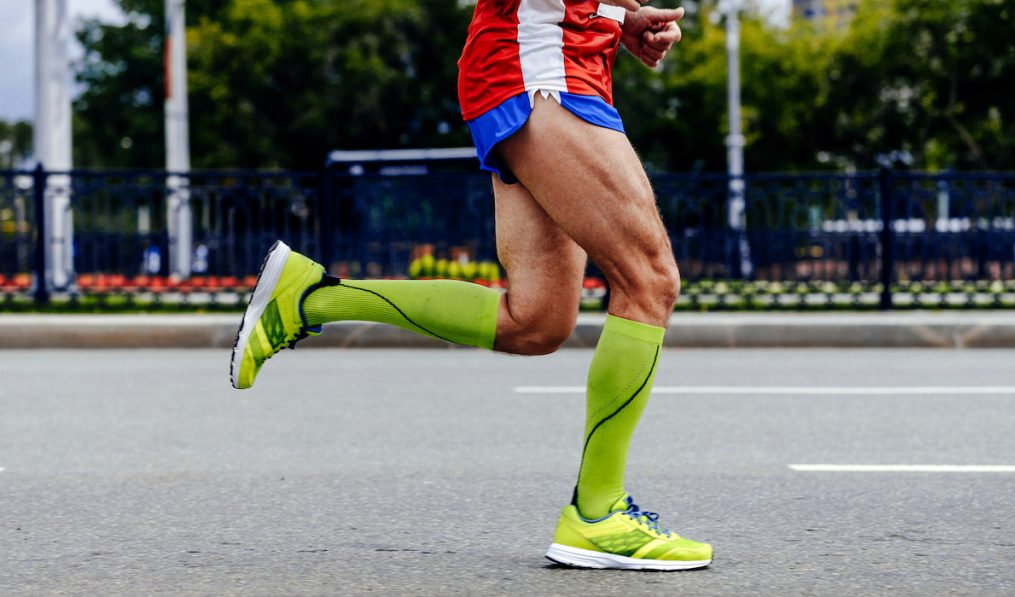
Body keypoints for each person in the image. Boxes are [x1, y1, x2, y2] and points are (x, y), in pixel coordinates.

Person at [230, 0, 712, 571]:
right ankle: (597, 513)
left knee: (535, 321)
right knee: (650, 279)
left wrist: (616, 17)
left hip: (552, 65)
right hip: (542, 71)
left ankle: (308, 298)